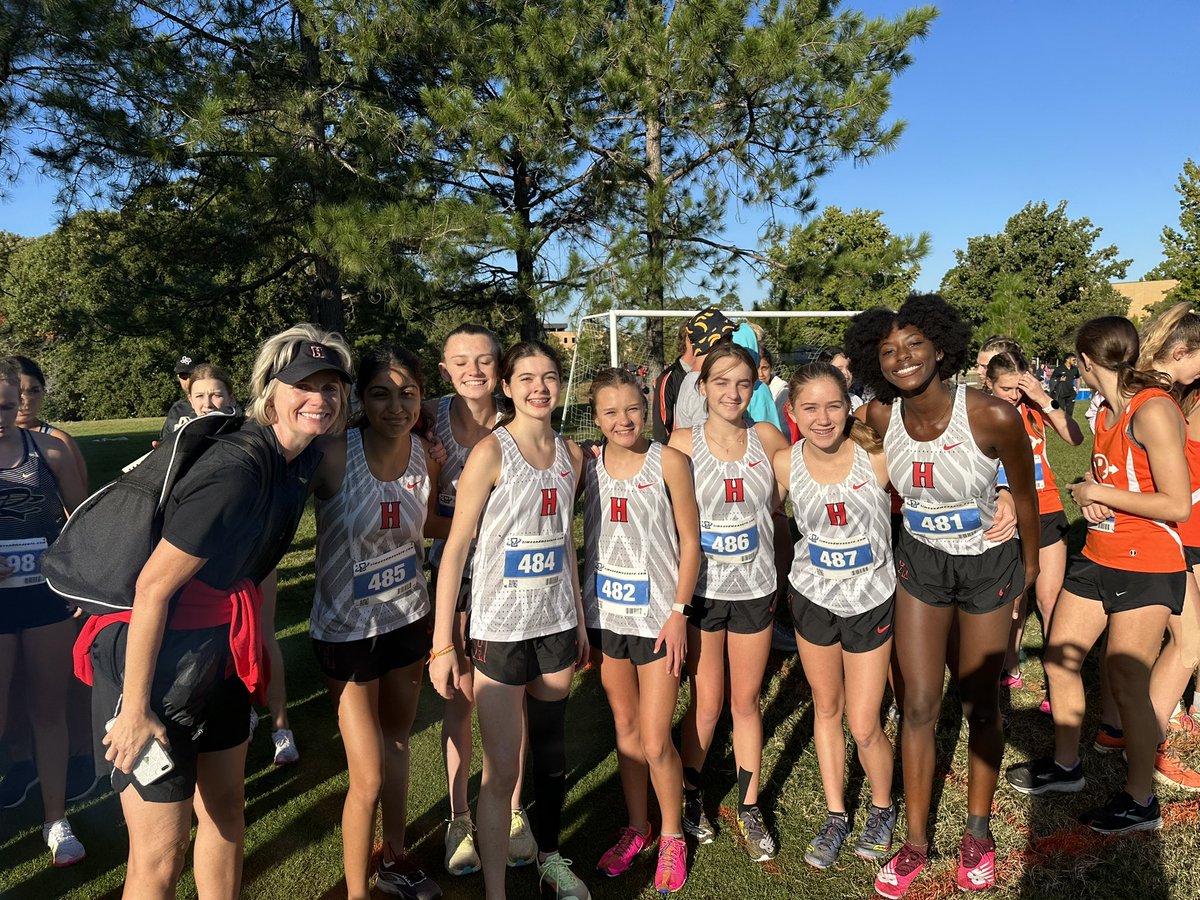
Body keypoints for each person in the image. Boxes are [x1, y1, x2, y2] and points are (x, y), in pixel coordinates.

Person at [79, 325, 353, 899]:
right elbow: (153, 589)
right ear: (269, 390)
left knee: (227, 811)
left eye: (331, 386)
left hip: (218, 652)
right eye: (303, 384)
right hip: (150, 661)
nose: (320, 398)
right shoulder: (237, 469)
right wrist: (134, 710)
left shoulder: (299, 458)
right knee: (159, 855)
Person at [846, 296, 1040, 898]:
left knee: (981, 703)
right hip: (922, 566)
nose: (902, 359)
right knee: (921, 705)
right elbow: (833, 446)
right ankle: (916, 842)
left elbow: (1027, 501)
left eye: (914, 345)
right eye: (888, 351)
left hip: (988, 566)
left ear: (940, 346)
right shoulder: (880, 416)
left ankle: (977, 833)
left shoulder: (992, 417)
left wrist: (1027, 581)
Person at [1005, 316, 1194, 835]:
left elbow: (1176, 503)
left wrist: (1098, 495)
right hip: (1098, 552)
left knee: (1127, 682)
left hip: (1147, 561)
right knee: (1061, 656)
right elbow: (1120, 479)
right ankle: (1066, 767)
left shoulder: (1153, 409)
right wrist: (1092, 491)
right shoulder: (1107, 411)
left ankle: (1140, 800)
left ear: (1086, 363)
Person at [429, 341, 590, 900]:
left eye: (549, 377)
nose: (539, 387)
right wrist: (442, 643)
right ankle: (496, 891)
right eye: (526, 378)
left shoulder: (572, 454)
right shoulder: (491, 454)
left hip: (556, 626)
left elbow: (566, 543)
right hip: (498, 628)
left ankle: (549, 858)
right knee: (500, 771)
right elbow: (454, 551)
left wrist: (581, 622)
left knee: (549, 757)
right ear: (507, 386)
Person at [309, 344, 447, 900]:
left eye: (407, 393)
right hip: (346, 632)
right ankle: (357, 892)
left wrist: (488, 520)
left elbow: (429, 522)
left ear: (420, 397)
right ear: (361, 400)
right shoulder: (331, 454)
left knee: (397, 743)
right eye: (381, 394)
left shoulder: (424, 454)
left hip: (409, 617)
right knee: (364, 775)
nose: (396, 405)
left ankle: (394, 857)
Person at [771, 362, 897, 871]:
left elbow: (944, 486)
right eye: (810, 408)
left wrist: (1000, 495)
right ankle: (837, 815)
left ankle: (883, 809)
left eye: (833, 406)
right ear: (792, 412)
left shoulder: (879, 457)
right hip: (813, 598)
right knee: (826, 709)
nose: (823, 418)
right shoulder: (784, 462)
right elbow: (768, 518)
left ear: (849, 406)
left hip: (871, 599)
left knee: (864, 723)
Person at [667, 342, 790, 862]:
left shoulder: (766, 437)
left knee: (746, 702)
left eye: (743, 383)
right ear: (702, 387)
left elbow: (789, 503)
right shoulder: (680, 443)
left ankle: (749, 804)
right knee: (708, 702)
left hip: (755, 588)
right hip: (700, 593)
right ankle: (690, 793)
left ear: (755, 387)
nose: (732, 392)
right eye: (721, 382)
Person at [423, 324, 537, 876]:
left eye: (484, 360)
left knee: (507, 701)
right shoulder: (426, 420)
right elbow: (420, 515)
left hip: (512, 584)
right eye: (460, 361)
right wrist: (467, 526)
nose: (473, 370)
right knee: (459, 699)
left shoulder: (522, 416)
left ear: (500, 368)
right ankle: (459, 817)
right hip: (453, 578)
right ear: (444, 369)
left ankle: (513, 810)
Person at [581, 367, 700, 894]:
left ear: (646, 406)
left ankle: (672, 834)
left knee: (655, 742)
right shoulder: (585, 464)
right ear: (596, 417)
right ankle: (637, 828)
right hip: (606, 619)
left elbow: (691, 542)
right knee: (626, 736)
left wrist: (680, 611)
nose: (623, 420)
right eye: (610, 412)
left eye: (632, 408)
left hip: (657, 621)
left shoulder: (670, 461)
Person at [1092, 303, 1200, 791]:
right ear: (1181, 351)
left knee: (1163, 645)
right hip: (1171, 537)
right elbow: (1173, 491)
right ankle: (1145, 745)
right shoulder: (1156, 399)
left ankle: (1121, 732)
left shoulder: (1155, 393)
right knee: (1185, 645)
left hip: (1160, 534)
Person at [0, 357, 87, 865]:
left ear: (22, 403)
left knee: (49, 711)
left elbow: (84, 521)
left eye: (8, 405)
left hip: (45, 598)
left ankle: (56, 819)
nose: (1, 414)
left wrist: (78, 579)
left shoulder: (48, 449)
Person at [983, 348, 1084, 709]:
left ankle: (1058, 679)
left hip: (1047, 508)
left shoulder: (1034, 408)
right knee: (1012, 600)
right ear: (989, 384)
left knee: (1050, 597)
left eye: (1018, 387)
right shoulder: (980, 414)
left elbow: (1075, 439)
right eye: (1006, 388)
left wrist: (1043, 399)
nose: (1013, 395)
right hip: (1004, 515)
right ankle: (1009, 666)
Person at [672, 307, 737, 430]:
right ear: (713, 342)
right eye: (728, 339)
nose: (731, 345)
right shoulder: (702, 387)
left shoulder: (694, 379)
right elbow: (708, 439)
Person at [652, 324, 693, 442]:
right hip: (683, 455)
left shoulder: (712, 374)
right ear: (689, 340)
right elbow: (661, 431)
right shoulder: (667, 379)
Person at [160, 353, 203, 439]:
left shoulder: (220, 404)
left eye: (193, 375)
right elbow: (165, 440)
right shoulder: (177, 409)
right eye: (183, 376)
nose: (189, 380)